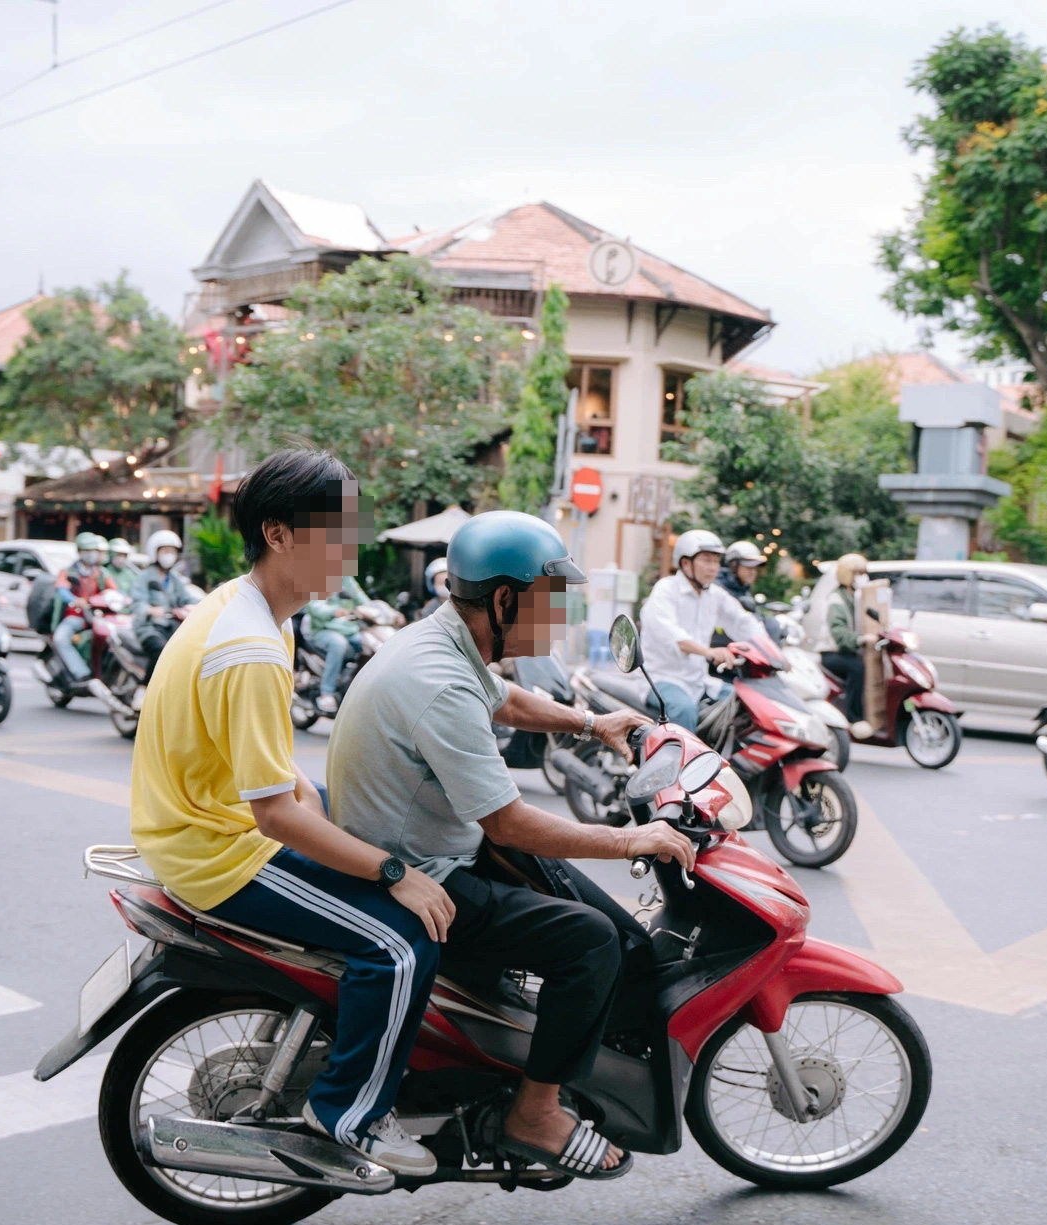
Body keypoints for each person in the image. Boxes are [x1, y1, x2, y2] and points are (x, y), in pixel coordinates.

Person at [329, 510, 693, 1181]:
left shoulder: (446, 644)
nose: (556, 622)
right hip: (421, 877)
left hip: (433, 846)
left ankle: (546, 1051)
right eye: (550, 603)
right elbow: (510, 824)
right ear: (503, 600)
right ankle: (535, 1109)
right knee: (594, 943)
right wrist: (632, 837)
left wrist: (592, 721)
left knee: (624, 937)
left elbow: (506, 702)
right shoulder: (438, 681)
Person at [129, 447, 447, 1177]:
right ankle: (350, 1116)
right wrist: (393, 871)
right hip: (219, 850)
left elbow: (275, 777)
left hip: (214, 818)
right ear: (279, 534)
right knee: (400, 943)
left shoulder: (260, 608)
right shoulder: (251, 646)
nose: (353, 547)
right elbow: (272, 813)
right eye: (337, 530)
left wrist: (352, 828)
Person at [638, 529, 766, 727]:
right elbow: (673, 635)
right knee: (684, 710)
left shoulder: (714, 595)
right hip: (660, 679)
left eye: (716, 561)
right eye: (706, 560)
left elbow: (742, 621)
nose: (713, 567)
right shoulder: (666, 589)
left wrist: (772, 651)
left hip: (698, 681)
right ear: (685, 563)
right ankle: (683, 759)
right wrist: (708, 651)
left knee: (743, 701)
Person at [807, 552, 876, 740]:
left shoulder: (855, 596)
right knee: (857, 668)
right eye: (857, 573)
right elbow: (838, 631)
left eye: (862, 573)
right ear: (847, 575)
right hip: (831, 653)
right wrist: (860, 639)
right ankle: (854, 719)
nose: (862, 577)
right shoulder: (836, 599)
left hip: (846, 650)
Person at [52, 533, 119, 685]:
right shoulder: (69, 571)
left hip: (98, 617)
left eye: (93, 551)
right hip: (75, 617)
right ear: (79, 552)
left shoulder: (101, 573)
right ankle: (81, 673)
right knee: (60, 639)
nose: (91, 554)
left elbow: (115, 590)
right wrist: (75, 601)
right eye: (87, 550)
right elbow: (61, 590)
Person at [129, 530, 193, 663]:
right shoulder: (144, 576)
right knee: (162, 651)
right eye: (165, 552)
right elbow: (137, 602)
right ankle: (148, 684)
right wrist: (149, 610)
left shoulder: (175, 578)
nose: (169, 556)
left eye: (172, 552)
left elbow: (187, 598)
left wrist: (192, 606)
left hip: (171, 625)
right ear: (154, 552)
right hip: (148, 627)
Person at [301, 584, 362, 715]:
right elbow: (315, 606)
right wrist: (333, 611)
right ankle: (327, 692)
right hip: (324, 630)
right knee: (338, 644)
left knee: (369, 641)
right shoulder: (320, 576)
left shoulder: (346, 577)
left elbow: (360, 596)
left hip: (348, 629)